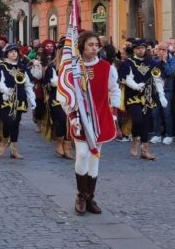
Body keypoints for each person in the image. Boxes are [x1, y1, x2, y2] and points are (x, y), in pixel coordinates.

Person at [58, 31, 121, 215]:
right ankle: (80, 194)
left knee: (95, 158)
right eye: (90, 45)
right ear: (82, 47)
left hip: (100, 117)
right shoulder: (73, 68)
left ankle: (89, 197)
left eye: (96, 45)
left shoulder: (107, 67)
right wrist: (72, 115)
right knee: (83, 154)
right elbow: (64, 96)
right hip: (80, 118)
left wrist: (114, 112)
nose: (94, 48)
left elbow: (115, 90)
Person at [118, 38, 167, 160]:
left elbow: (157, 79)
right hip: (133, 96)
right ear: (134, 50)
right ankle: (135, 140)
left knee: (145, 122)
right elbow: (126, 78)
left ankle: (145, 150)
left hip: (147, 96)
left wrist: (162, 95)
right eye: (138, 48)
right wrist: (136, 86)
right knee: (137, 119)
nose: (140, 50)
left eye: (142, 48)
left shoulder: (152, 63)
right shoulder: (128, 62)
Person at [0, 44, 36, 158]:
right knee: (8, 122)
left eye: (15, 52)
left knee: (15, 123)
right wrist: (6, 90)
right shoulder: (2, 66)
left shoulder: (22, 67)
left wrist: (32, 99)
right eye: (11, 52)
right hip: (6, 99)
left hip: (20, 98)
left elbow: (28, 85)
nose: (13, 54)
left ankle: (14, 150)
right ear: (7, 54)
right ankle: (4, 141)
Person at [43, 39, 72, 158]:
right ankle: (59, 143)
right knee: (61, 120)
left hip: (71, 98)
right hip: (57, 97)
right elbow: (49, 83)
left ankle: (67, 146)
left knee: (71, 122)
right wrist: (61, 81)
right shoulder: (52, 66)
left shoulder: (75, 66)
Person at [152, 41, 175, 145]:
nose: (161, 52)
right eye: (160, 49)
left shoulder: (172, 60)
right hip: (155, 90)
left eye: (164, 50)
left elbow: (170, 72)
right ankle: (157, 134)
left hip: (167, 90)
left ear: (168, 51)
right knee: (155, 113)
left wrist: (165, 61)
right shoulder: (154, 59)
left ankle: (169, 135)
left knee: (167, 112)